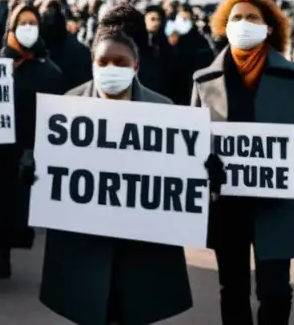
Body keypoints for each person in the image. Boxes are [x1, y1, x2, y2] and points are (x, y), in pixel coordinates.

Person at [39, 26, 208, 324]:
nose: (111, 69)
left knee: (135, 309)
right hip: (87, 240)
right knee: (92, 310)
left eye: (121, 63)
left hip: (142, 241)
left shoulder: (163, 109)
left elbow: (179, 174)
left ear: (136, 66)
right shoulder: (68, 107)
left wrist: (203, 169)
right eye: (103, 62)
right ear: (92, 63)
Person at [191, 0, 294, 325]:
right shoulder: (203, 79)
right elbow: (192, 141)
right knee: (232, 289)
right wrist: (202, 167)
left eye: (252, 17)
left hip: (277, 200)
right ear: (224, 25)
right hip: (226, 202)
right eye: (236, 17)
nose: (243, 23)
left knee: (276, 290)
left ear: (269, 28)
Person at [0, 2, 66, 281]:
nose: (28, 29)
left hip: (31, 148)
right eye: (22, 23)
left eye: (32, 23)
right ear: (11, 27)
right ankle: (2, 254)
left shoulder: (50, 70)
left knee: (23, 208)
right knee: (0, 207)